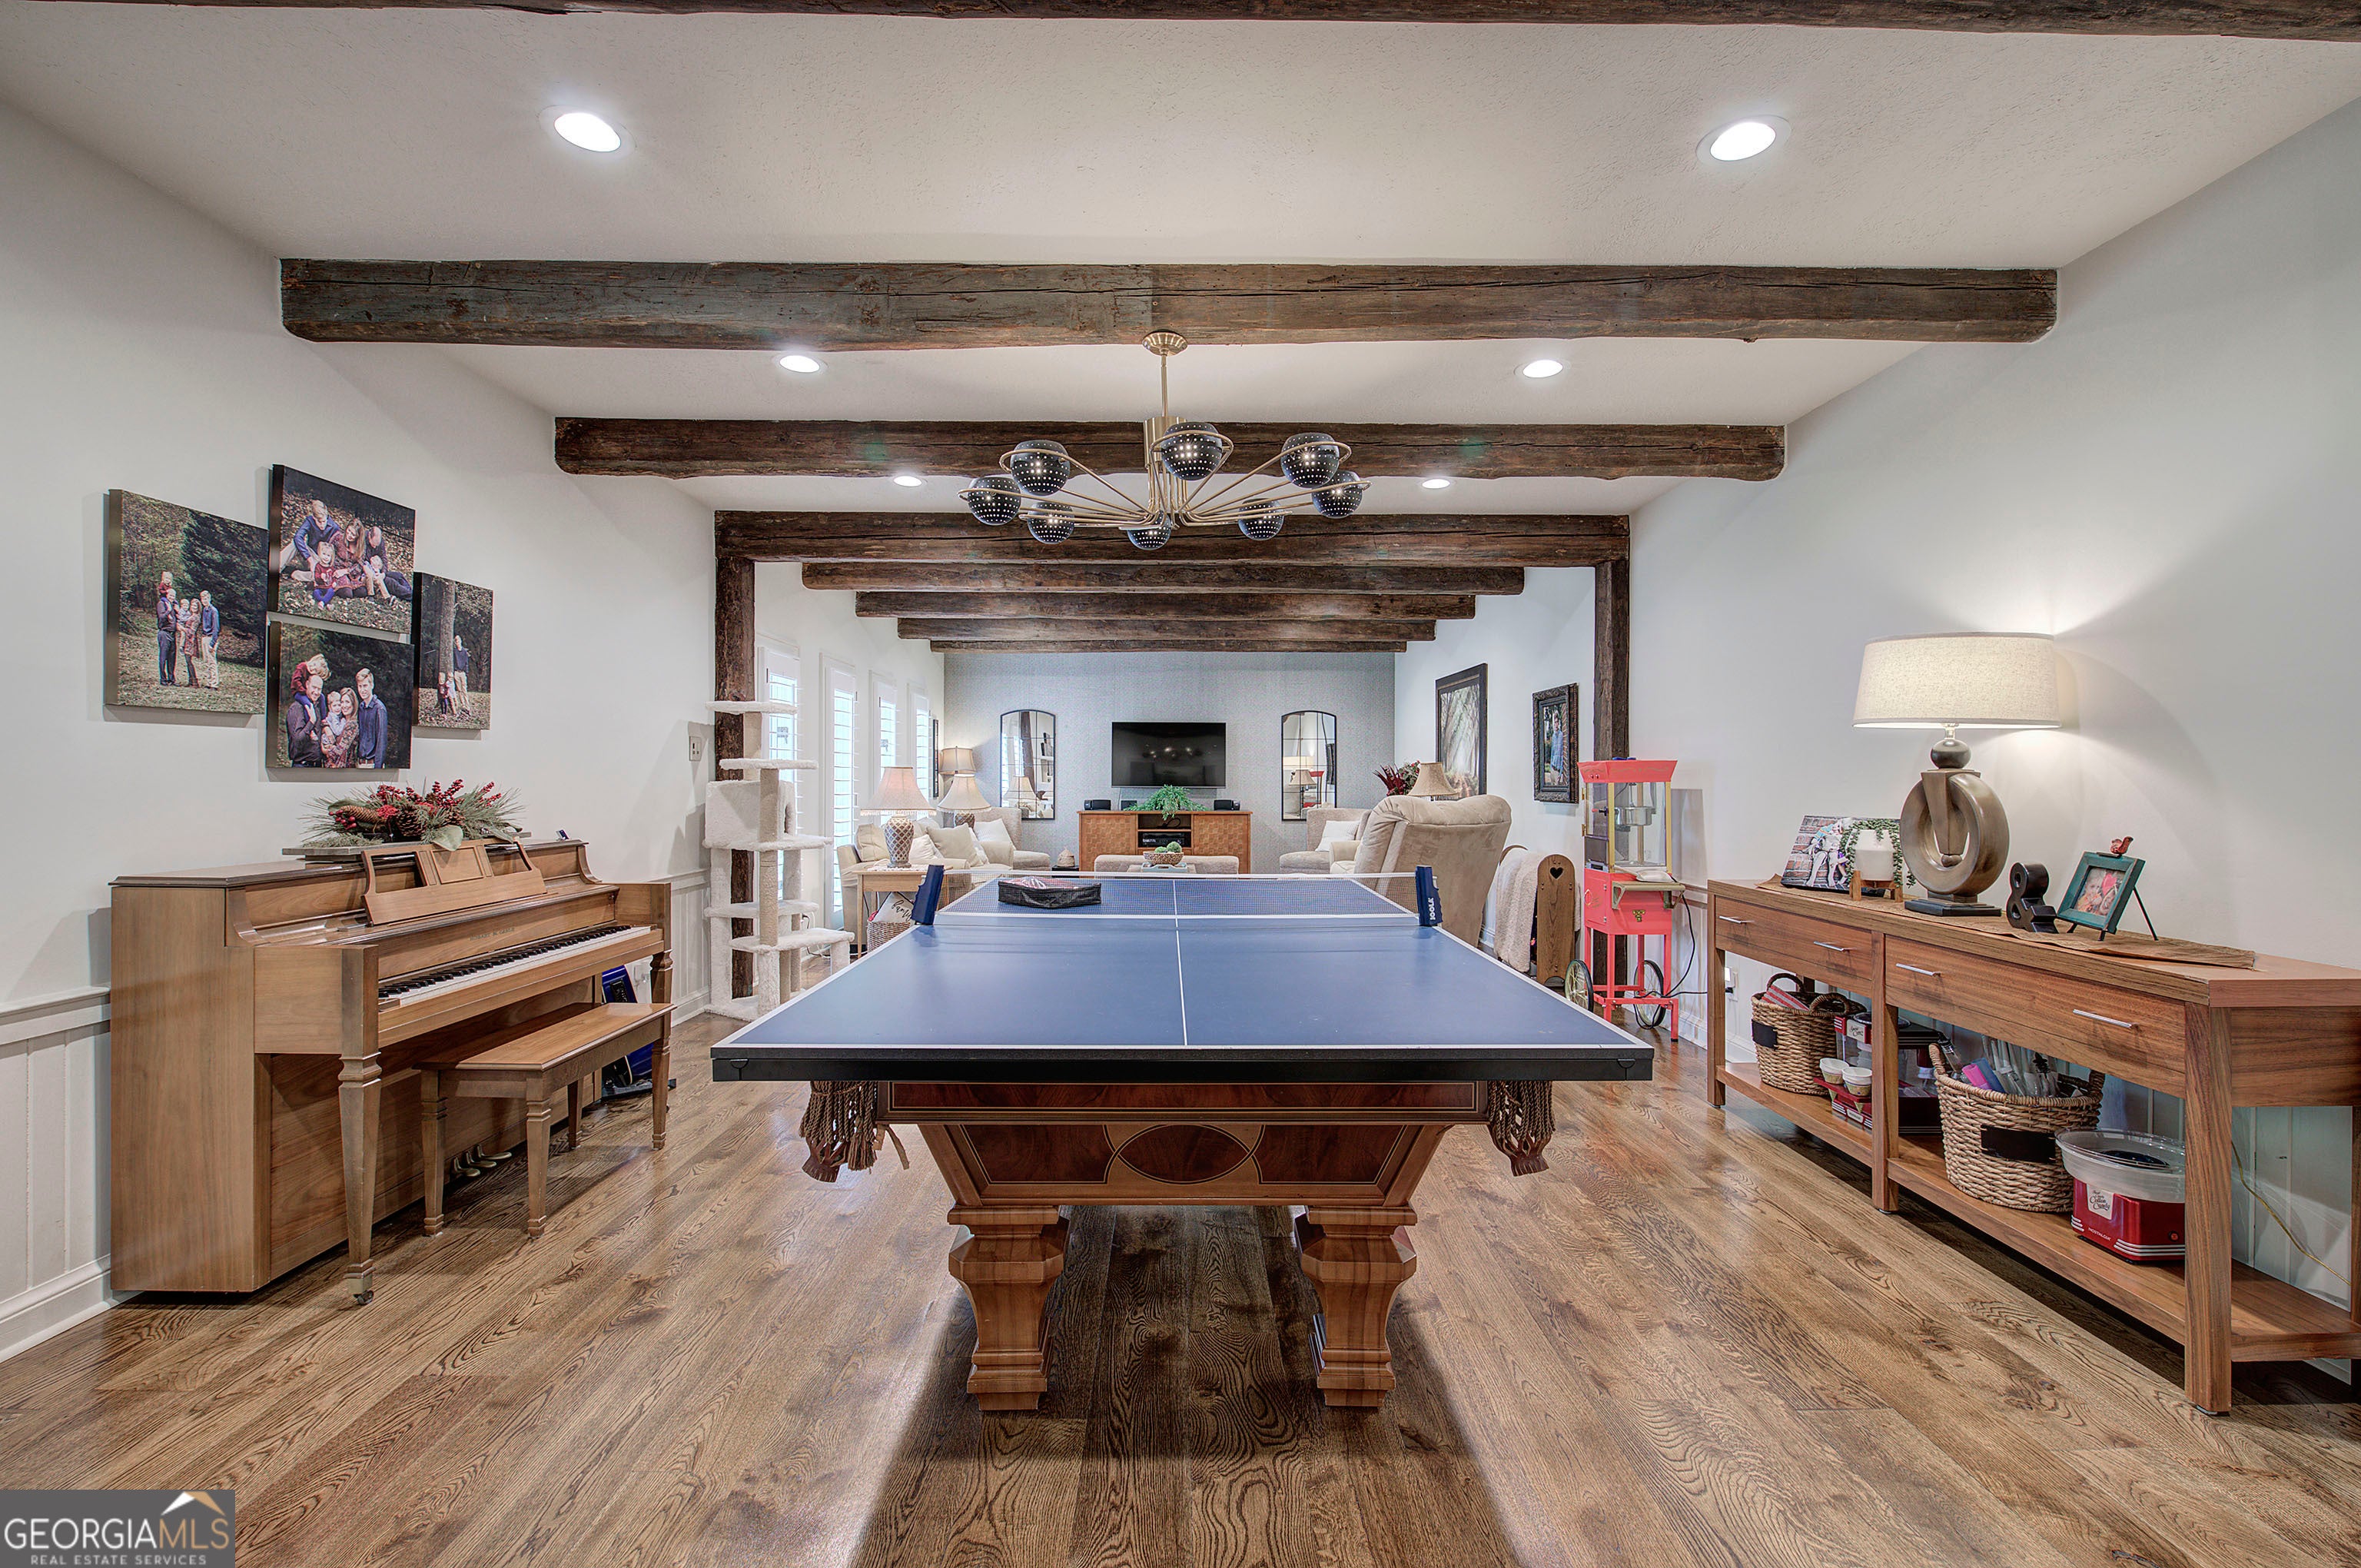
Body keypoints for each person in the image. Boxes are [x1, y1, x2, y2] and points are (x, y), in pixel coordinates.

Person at [284, 666, 324, 766]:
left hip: (317, 766)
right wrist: (311, 722)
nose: (316, 692)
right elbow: (297, 740)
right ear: (307, 685)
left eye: (319, 689)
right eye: (314, 687)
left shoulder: (317, 707)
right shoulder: (297, 708)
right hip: (302, 766)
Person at [361, 525, 411, 602]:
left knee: (398, 576)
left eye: (377, 545)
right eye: (373, 544)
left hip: (378, 569)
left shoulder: (380, 542)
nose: (375, 547)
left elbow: (383, 558)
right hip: (368, 573)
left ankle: (410, 590)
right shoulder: (362, 540)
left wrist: (383, 573)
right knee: (391, 582)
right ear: (369, 536)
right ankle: (410, 595)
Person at [354, 666, 389, 769]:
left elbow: (382, 741)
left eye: (365, 686)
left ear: (372, 685)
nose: (362, 690)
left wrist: (377, 768)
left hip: (372, 764)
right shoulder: (361, 707)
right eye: (360, 686)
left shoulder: (379, 709)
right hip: (360, 763)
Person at [154, 572, 179, 685]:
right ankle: (163, 679)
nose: (172, 598)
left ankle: (172, 679)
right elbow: (162, 617)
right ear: (167, 595)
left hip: (173, 634)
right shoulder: (162, 604)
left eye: (173, 596)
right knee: (163, 657)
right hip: (164, 633)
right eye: (170, 596)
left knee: (172, 658)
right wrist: (168, 610)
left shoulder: (173, 605)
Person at [194, 590, 221, 689]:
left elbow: (216, 628)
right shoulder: (204, 610)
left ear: (209, 599)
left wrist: (212, 643)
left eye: (206, 599)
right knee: (206, 661)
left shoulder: (213, 611)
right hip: (204, 637)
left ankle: (214, 684)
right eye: (203, 599)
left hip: (211, 638)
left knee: (212, 661)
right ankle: (209, 682)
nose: (204, 601)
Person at [450, 630, 470, 714]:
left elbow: (466, 662)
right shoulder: (454, 651)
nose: (457, 643)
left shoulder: (464, 651)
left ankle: (467, 705)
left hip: (462, 672)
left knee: (464, 689)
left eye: (458, 641)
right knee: (459, 690)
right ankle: (463, 705)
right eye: (456, 641)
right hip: (456, 672)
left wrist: (466, 672)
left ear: (461, 641)